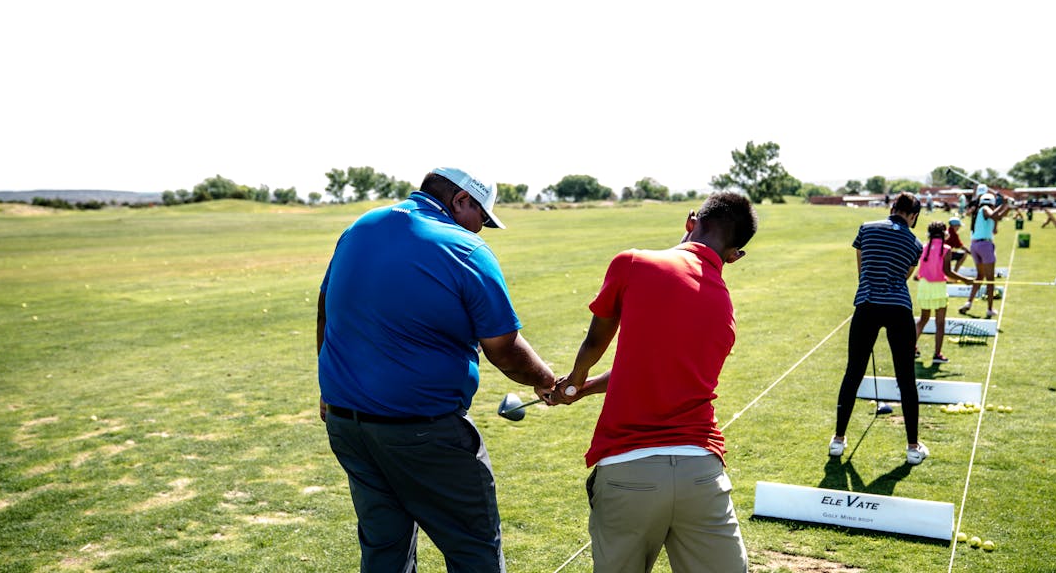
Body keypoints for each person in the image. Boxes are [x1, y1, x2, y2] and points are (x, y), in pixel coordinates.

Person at [317, 167, 557, 572]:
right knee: (473, 549)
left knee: (384, 550)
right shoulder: (465, 248)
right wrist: (545, 379)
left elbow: (326, 309)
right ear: (461, 200)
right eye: (482, 217)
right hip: (423, 431)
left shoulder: (361, 227)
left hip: (348, 426)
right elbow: (504, 349)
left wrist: (327, 388)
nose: (480, 229)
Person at [550, 192, 758, 573]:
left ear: (691, 221)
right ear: (734, 256)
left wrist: (574, 382)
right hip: (702, 475)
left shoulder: (632, 263)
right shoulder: (726, 308)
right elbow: (655, 370)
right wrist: (586, 388)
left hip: (627, 468)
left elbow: (596, 341)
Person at [829, 193, 928, 465]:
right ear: (913, 216)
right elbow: (904, 277)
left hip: (867, 305)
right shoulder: (915, 243)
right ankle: (913, 447)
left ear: (892, 207)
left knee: (853, 373)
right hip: (899, 309)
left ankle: (838, 440)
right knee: (906, 378)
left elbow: (862, 271)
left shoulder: (866, 228)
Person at [914, 221, 973, 365]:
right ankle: (937, 354)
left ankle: (911, 348)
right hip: (938, 287)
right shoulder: (946, 248)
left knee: (923, 319)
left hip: (924, 287)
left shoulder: (924, 247)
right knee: (940, 323)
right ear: (944, 233)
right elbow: (947, 271)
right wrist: (965, 280)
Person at [959, 192, 1010, 318]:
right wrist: (1003, 204)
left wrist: (1007, 207)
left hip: (975, 245)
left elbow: (996, 221)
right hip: (985, 245)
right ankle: (989, 309)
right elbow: (994, 215)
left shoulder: (979, 211)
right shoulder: (985, 209)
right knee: (990, 279)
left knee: (980, 276)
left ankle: (969, 303)